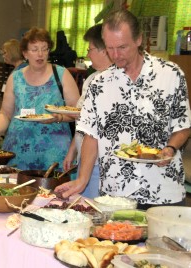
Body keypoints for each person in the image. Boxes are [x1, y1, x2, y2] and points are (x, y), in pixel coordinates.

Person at [55, 10, 191, 209]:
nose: (116, 55)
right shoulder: (99, 83)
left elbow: (183, 126)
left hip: (163, 189)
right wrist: (82, 179)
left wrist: (170, 148)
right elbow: (91, 136)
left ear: (139, 40)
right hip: (115, 194)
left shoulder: (170, 74)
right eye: (110, 48)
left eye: (122, 47)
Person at [0, 27, 80, 170]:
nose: (40, 54)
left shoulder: (61, 74)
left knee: (51, 190)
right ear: (25, 53)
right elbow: (6, 113)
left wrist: (58, 117)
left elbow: (77, 112)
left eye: (44, 49)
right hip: (18, 149)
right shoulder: (16, 77)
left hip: (53, 151)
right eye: (34, 49)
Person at [62, 24, 112, 199]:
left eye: (90, 49)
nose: (88, 55)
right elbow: (83, 124)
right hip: (84, 155)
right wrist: (73, 150)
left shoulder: (115, 80)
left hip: (100, 161)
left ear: (105, 50)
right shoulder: (92, 78)